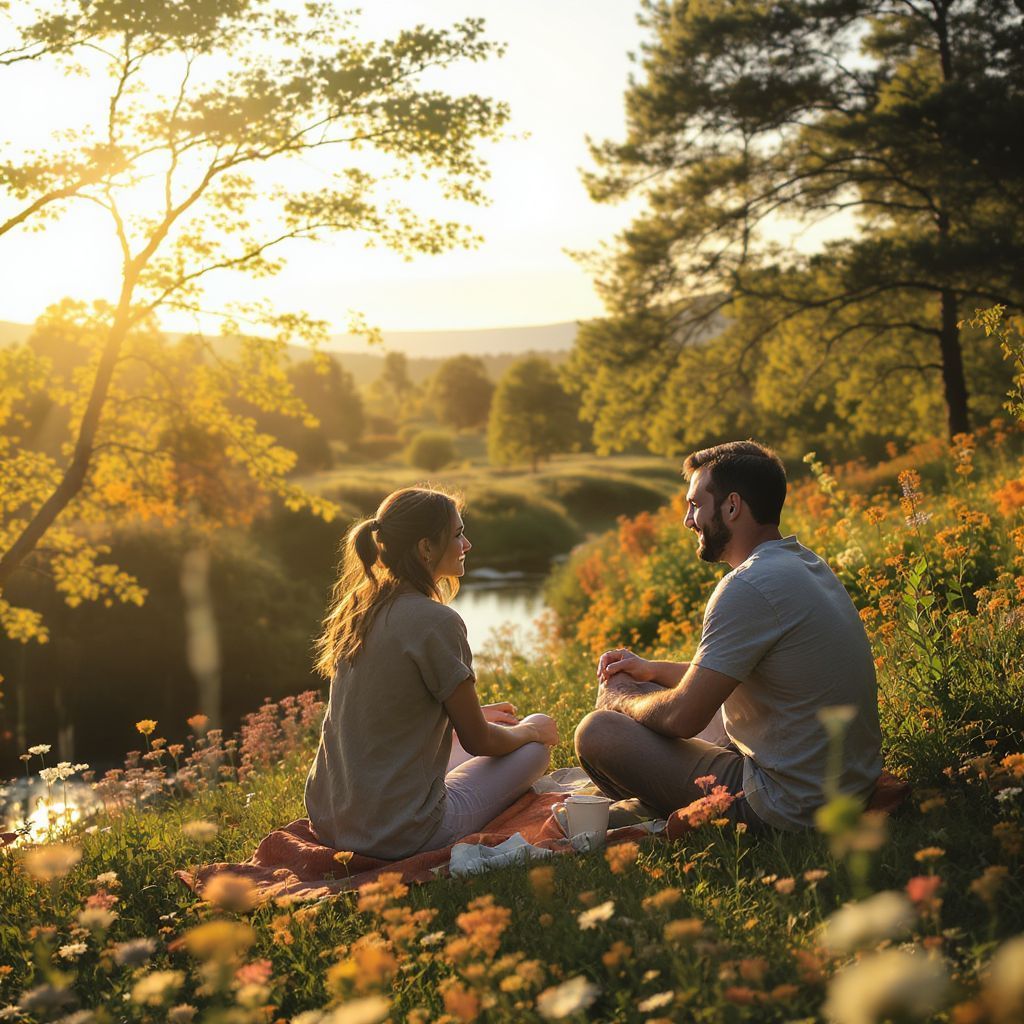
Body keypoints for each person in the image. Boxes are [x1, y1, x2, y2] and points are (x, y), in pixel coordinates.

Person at [574, 440, 882, 831]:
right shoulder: (805, 564)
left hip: (789, 805)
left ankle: (657, 798)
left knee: (597, 732)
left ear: (732, 506)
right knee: (672, 705)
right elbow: (744, 674)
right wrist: (650, 670)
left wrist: (619, 699)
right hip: (850, 785)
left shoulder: (747, 585)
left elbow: (683, 718)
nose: (688, 520)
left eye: (695, 505)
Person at [305, 486, 558, 859]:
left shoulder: (357, 609)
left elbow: (380, 709)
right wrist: (529, 731)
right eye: (457, 535)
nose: (467, 544)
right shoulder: (436, 621)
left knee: (477, 735)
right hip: (406, 833)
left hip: (329, 821)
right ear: (425, 548)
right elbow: (480, 743)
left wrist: (467, 716)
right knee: (534, 747)